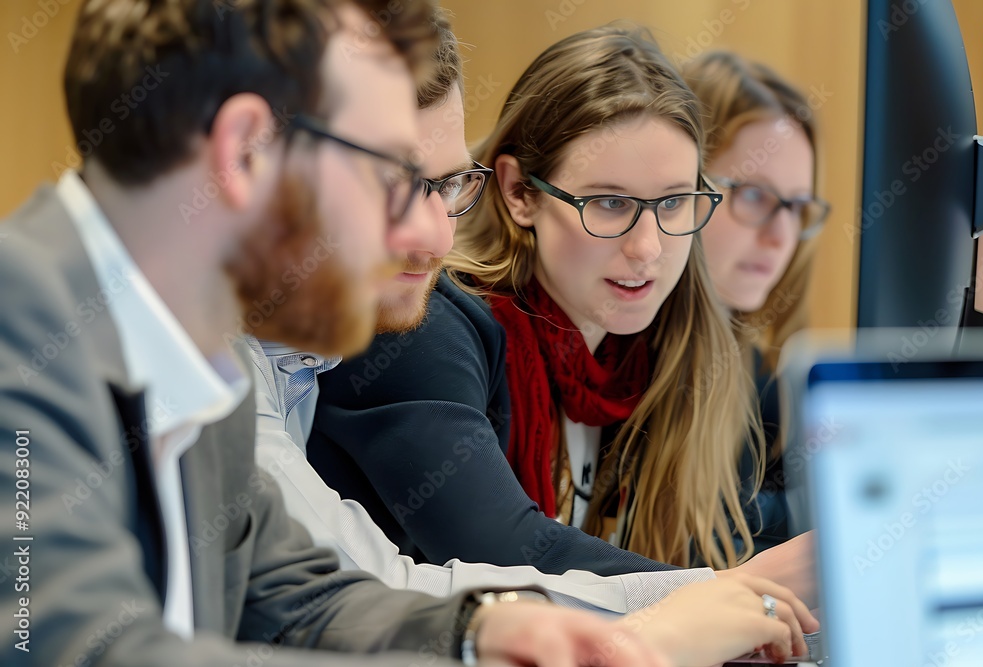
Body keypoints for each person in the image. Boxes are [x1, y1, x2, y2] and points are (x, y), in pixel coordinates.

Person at [0, 2, 681, 666]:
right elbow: (68, 646)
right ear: (244, 153)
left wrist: (479, 633)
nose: (432, 234)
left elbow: (297, 600)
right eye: (389, 175)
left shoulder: (203, 358)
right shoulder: (20, 317)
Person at [245, 14, 816, 664]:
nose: (649, 247)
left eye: (675, 203)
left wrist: (728, 602)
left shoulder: (682, 347)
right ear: (519, 193)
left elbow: (339, 595)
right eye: (608, 204)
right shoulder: (425, 325)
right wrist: (721, 599)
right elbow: (474, 555)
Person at [681, 51, 831, 550]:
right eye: (753, 195)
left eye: (795, 206)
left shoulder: (755, 376)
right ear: (679, 187)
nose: (781, 238)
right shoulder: (614, 365)